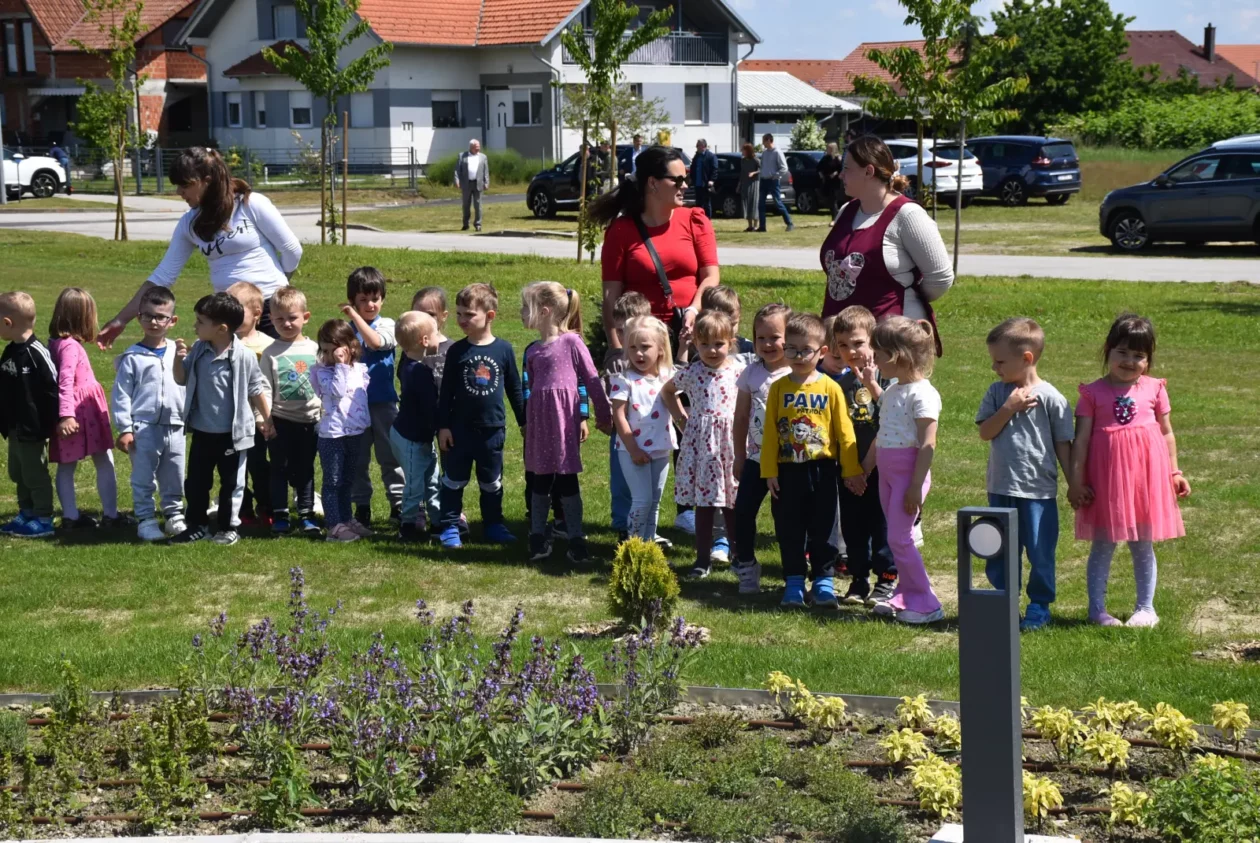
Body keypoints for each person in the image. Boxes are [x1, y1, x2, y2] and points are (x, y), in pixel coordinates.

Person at [96, 147, 303, 349]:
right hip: (226, 315)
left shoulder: (250, 204)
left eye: (185, 184)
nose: (179, 192)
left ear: (207, 181)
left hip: (271, 312)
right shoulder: (189, 223)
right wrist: (120, 320)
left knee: (279, 379)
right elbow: (163, 276)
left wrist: (277, 292)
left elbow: (292, 250)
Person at [1069, 314, 1189, 628]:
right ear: (1108, 351)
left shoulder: (1155, 388)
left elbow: (1167, 433)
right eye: (1122, 352)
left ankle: (1146, 609)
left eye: (1138, 356)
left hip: (1144, 480)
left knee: (1142, 542)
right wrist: (1077, 481)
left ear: (1148, 360)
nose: (1129, 361)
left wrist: (1174, 472)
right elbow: (1080, 441)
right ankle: (1097, 610)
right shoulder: (1092, 393)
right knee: (1104, 542)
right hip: (1106, 480)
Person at [976, 318, 1075, 632]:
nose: (995, 367)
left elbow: (1063, 446)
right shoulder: (997, 393)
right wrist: (1008, 408)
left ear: (1027, 358)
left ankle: (1039, 605)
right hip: (1001, 487)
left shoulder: (1052, 398)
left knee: (1039, 550)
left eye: (1000, 361)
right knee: (1000, 549)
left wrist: (1075, 484)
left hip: (1038, 493)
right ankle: (1004, 602)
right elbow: (986, 432)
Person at [763, 312, 864, 608]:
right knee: (789, 528)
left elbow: (844, 432)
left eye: (805, 350)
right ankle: (794, 581)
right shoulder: (778, 388)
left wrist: (852, 469)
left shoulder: (830, 387)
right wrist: (769, 470)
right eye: (791, 348)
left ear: (821, 352)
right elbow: (770, 432)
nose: (796, 355)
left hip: (823, 470)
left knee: (824, 528)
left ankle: (823, 581)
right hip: (787, 471)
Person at [823, 136, 953, 347]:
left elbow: (940, 278)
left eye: (847, 168)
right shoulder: (847, 211)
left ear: (869, 171)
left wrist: (903, 295)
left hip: (889, 341)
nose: (841, 175)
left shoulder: (908, 215)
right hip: (844, 342)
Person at [596, 145, 720, 357]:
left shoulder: (695, 220)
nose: (684, 186)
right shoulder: (620, 230)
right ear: (652, 183)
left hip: (692, 338)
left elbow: (711, 276)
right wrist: (616, 349)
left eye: (686, 178)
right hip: (642, 345)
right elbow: (611, 296)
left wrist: (693, 310)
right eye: (677, 180)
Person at [520, 282, 611, 564]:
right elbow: (532, 390)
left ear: (544, 311)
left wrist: (603, 415)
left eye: (526, 308)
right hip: (540, 426)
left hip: (563, 424)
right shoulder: (532, 350)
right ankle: (537, 537)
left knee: (567, 480)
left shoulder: (572, 342)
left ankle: (575, 539)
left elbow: (592, 378)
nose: (521, 313)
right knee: (539, 480)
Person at [171, 292, 272, 547]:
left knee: (231, 484)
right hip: (202, 431)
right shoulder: (199, 351)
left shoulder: (244, 357)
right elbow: (181, 379)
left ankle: (228, 527)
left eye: (200, 322)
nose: (195, 326)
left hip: (232, 435)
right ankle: (197, 525)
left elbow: (256, 388)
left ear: (221, 329)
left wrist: (268, 419)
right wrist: (177, 359)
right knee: (196, 482)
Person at [436, 283, 524, 549]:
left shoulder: (504, 350)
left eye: (469, 314)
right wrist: (443, 427)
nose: (462, 320)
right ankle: (450, 525)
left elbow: (515, 388)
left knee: (491, 481)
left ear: (490, 315)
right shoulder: (456, 351)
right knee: (453, 481)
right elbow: (446, 393)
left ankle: (493, 524)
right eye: (460, 313)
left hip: (492, 430)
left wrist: (525, 422)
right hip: (459, 431)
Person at [866, 316, 943, 624]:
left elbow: (927, 443)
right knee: (897, 536)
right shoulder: (896, 388)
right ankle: (906, 594)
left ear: (897, 356)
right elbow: (888, 424)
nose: (874, 359)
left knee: (900, 538)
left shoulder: (923, 394)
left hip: (908, 476)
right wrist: (866, 466)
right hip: (888, 475)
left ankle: (926, 602)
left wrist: (915, 485)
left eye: (878, 353)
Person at [662, 311, 745, 579]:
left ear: (730, 342)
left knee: (732, 502)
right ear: (695, 343)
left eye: (718, 344)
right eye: (705, 343)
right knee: (705, 504)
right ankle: (701, 558)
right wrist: (682, 420)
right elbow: (667, 391)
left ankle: (738, 556)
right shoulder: (693, 371)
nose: (711, 350)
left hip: (730, 444)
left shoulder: (738, 371)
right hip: (701, 447)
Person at [828, 307, 897, 607]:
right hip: (850, 470)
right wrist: (851, 469)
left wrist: (868, 467)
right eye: (843, 345)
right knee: (853, 526)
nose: (851, 351)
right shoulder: (839, 386)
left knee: (881, 524)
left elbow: (893, 419)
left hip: (883, 467)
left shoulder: (890, 379)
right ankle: (858, 579)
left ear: (873, 341)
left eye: (857, 343)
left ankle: (887, 578)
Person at [111, 286, 187, 542]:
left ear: (172, 321)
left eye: (161, 317)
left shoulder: (179, 354)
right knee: (143, 477)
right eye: (148, 316)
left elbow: (189, 386)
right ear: (139, 318)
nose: (154, 322)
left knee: (174, 474)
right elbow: (121, 395)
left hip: (176, 425)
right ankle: (145, 518)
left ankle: (174, 515)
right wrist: (125, 428)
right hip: (143, 427)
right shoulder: (132, 357)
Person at [47, 288, 126, 530]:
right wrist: (67, 414)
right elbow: (65, 379)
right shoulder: (70, 346)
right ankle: (110, 515)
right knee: (103, 458)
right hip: (81, 411)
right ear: (84, 317)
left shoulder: (57, 343)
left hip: (73, 410)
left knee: (67, 465)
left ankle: (71, 516)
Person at [731, 303, 791, 593]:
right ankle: (746, 565)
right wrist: (739, 456)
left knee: (786, 521)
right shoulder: (750, 374)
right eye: (760, 338)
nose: (767, 344)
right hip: (755, 459)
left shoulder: (798, 373)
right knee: (742, 512)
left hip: (789, 462)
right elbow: (740, 417)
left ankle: (793, 573)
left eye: (775, 337)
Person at [340, 267, 403, 527]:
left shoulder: (388, 324)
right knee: (358, 458)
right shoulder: (344, 330)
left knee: (391, 455)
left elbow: (376, 343)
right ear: (353, 299)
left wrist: (355, 317)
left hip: (384, 403)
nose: (370, 304)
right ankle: (362, 506)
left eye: (375, 299)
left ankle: (399, 505)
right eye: (363, 300)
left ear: (383, 299)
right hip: (353, 405)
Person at [259, 286, 322, 537]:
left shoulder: (315, 349)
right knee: (279, 469)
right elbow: (263, 388)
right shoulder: (270, 353)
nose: (286, 323)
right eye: (279, 319)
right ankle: (281, 514)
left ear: (305, 317)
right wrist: (264, 420)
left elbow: (324, 383)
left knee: (306, 468)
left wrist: (325, 412)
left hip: (312, 420)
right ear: (271, 320)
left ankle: (306, 514)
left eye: (292, 317)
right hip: (281, 421)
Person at [611, 315, 677, 544]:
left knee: (655, 501)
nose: (639, 353)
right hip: (633, 450)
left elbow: (678, 404)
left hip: (660, 447)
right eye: (633, 348)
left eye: (645, 347)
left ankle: (649, 546)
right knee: (641, 500)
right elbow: (618, 415)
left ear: (660, 349)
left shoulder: (667, 377)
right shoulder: (624, 379)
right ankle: (634, 546)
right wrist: (633, 449)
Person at [0, 291, 59, 539]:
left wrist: (52, 423)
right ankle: (26, 512)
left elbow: (53, 389)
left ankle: (44, 517)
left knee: (35, 473)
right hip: (14, 427)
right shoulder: (9, 351)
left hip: (33, 428)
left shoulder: (37, 353)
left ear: (7, 323)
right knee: (18, 471)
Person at [312, 319, 372, 543]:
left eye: (333, 350)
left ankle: (346, 519)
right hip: (332, 434)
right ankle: (334, 525)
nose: (328, 355)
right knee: (333, 481)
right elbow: (337, 392)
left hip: (354, 432)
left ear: (349, 347)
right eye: (324, 351)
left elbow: (360, 398)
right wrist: (339, 365)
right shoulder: (324, 372)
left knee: (348, 479)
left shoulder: (359, 369)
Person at [410, 286, 461, 536]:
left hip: (448, 421)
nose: (424, 320)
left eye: (430, 314)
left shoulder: (453, 348)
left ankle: (451, 511)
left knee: (449, 467)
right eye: (417, 314)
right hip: (420, 419)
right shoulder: (411, 349)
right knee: (420, 466)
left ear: (443, 316)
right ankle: (419, 508)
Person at [605, 292, 652, 543]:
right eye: (620, 331)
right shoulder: (616, 361)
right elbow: (609, 396)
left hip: (652, 432)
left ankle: (646, 529)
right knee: (621, 481)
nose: (624, 337)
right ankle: (623, 525)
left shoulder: (655, 359)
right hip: (621, 434)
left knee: (649, 485)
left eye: (630, 330)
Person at [227, 281, 274, 527]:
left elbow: (269, 385)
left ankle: (267, 506)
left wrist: (267, 416)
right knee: (234, 466)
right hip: (229, 416)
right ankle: (242, 508)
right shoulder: (222, 342)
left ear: (257, 313)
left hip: (257, 417)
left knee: (258, 464)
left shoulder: (268, 345)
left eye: (238, 310)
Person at [391, 310, 440, 541]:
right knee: (415, 485)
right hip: (412, 439)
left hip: (415, 435)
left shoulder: (408, 364)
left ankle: (439, 521)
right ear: (425, 341)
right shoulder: (420, 372)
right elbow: (431, 408)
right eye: (436, 332)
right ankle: (408, 526)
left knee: (432, 479)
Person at [757, 134, 793, 233]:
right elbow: (763, 166)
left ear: (769, 140)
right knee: (761, 204)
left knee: (777, 202)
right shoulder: (764, 153)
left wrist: (776, 176)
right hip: (764, 180)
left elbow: (784, 168)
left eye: (764, 141)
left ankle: (789, 223)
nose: (763, 143)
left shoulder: (777, 152)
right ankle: (762, 226)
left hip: (773, 181)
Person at [457, 139, 489, 232]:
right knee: (466, 205)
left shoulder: (483, 157)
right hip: (466, 184)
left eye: (479, 147)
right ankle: (465, 224)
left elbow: (486, 171)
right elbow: (457, 170)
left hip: (478, 183)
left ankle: (478, 224)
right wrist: (457, 180)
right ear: (471, 147)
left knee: (478, 205)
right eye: (476, 148)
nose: (478, 149)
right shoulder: (462, 156)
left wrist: (486, 182)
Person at [816, 142, 845, 220]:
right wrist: (821, 175)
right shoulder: (826, 158)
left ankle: (835, 218)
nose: (827, 149)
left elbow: (841, 168)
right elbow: (818, 167)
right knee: (829, 199)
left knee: (833, 199)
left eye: (828, 148)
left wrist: (836, 173)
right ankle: (835, 215)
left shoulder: (837, 158)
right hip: (827, 181)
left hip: (835, 181)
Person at [691, 139, 718, 219]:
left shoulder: (711, 156)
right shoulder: (696, 156)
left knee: (706, 203)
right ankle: (699, 220)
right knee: (698, 204)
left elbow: (715, 169)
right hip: (697, 184)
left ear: (703, 146)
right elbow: (693, 168)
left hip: (706, 184)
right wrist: (691, 178)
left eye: (698, 145)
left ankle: (707, 221)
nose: (696, 147)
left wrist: (712, 180)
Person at [739, 143, 760, 232]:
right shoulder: (743, 161)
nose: (742, 152)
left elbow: (761, 170)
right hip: (745, 184)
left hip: (754, 184)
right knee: (746, 203)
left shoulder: (756, 160)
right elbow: (742, 173)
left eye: (743, 150)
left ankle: (755, 225)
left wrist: (753, 173)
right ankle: (750, 225)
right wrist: (739, 185)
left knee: (754, 203)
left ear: (748, 150)